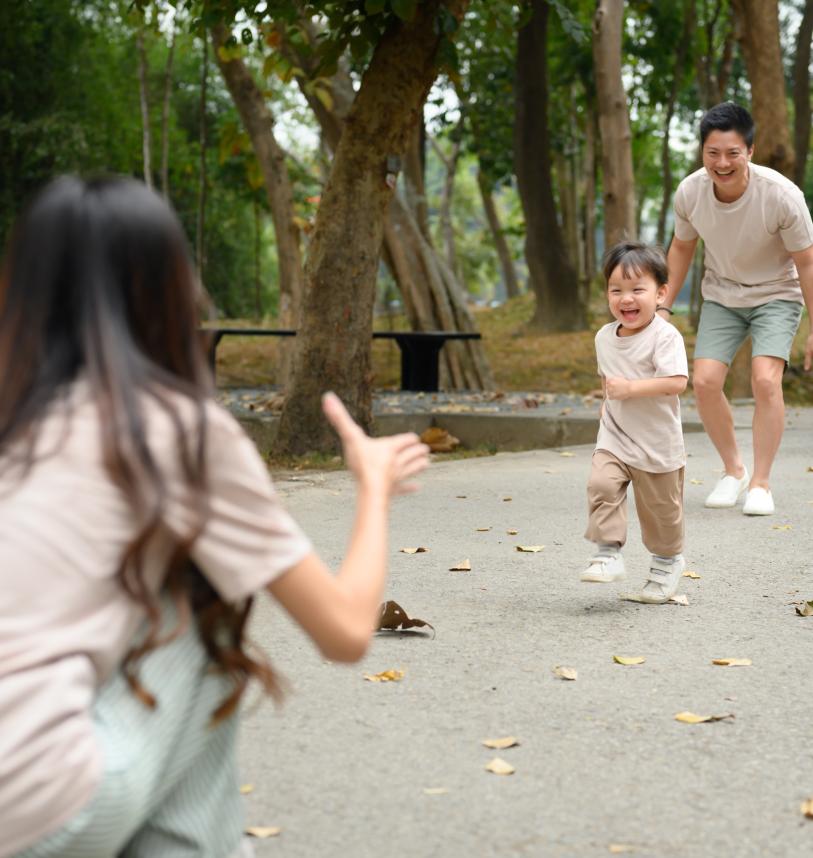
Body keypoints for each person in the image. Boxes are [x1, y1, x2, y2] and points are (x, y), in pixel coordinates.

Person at [0, 176, 429, 858]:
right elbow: (346, 631)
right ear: (168, 292)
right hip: (42, 805)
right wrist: (371, 486)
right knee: (203, 637)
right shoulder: (174, 429)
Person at [661, 102, 813, 516]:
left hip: (776, 293)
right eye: (713, 153)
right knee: (706, 381)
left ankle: (761, 484)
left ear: (750, 150)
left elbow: (806, 262)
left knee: (765, 380)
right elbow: (681, 247)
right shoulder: (691, 192)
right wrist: (663, 307)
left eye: (732, 153)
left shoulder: (782, 196)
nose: (722, 163)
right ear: (702, 153)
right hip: (723, 294)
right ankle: (734, 471)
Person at [580, 242, 689, 604]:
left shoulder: (665, 336)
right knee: (601, 484)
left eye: (637, 289)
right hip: (615, 434)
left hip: (657, 442)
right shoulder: (603, 337)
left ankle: (667, 563)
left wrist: (631, 389)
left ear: (660, 294)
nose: (626, 299)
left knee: (661, 513)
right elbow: (607, 378)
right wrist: (608, 402)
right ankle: (607, 554)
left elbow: (676, 382)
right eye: (616, 290)